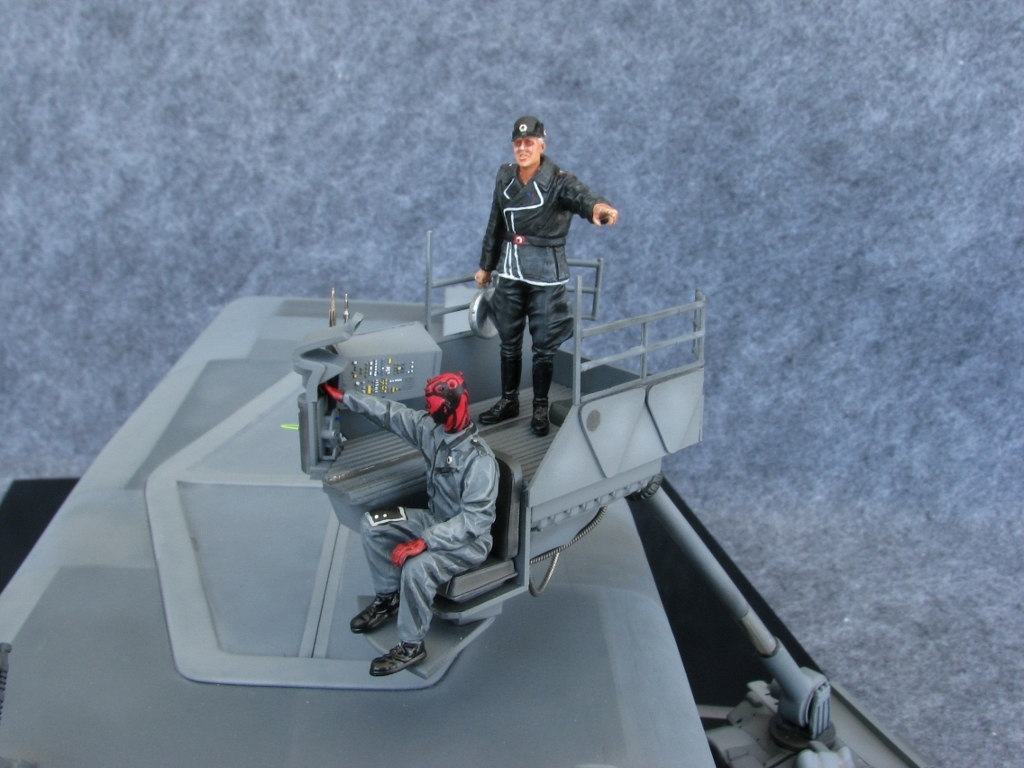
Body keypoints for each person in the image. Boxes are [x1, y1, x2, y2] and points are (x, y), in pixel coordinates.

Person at [322, 372, 498, 676]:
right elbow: (392, 414)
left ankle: (411, 645)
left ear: (449, 406)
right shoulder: (432, 431)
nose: (427, 410)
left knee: (417, 568)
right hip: (436, 520)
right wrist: (347, 398)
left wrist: (425, 541)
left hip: (468, 542)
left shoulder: (479, 461)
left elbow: (475, 520)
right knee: (374, 524)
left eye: (432, 405)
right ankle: (388, 598)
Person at [475, 115, 619, 436]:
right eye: (518, 143)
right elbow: (495, 224)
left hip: (545, 272)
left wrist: (599, 208)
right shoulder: (505, 176)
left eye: (529, 142)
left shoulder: (558, 180)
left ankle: (540, 407)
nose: (523, 148)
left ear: (542, 145)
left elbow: (582, 197)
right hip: (511, 268)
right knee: (509, 339)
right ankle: (509, 400)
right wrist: (486, 265)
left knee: (543, 343)